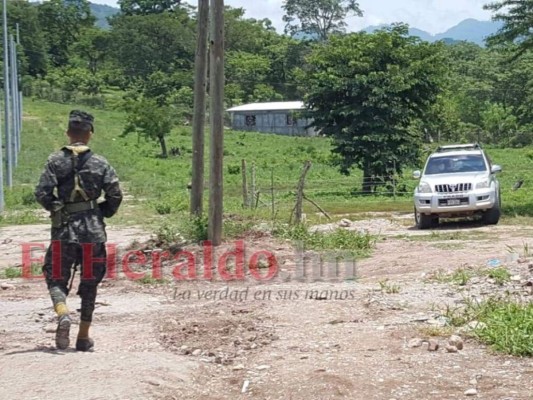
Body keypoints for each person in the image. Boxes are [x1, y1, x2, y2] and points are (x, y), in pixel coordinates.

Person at [35, 110, 123, 351]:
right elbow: (115, 194)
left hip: (64, 231)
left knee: (55, 276)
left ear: (67, 133)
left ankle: (62, 313)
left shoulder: (55, 161)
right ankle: (83, 337)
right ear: (90, 134)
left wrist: (57, 209)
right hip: (93, 233)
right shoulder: (100, 162)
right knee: (90, 282)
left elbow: (42, 192)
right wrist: (100, 212)